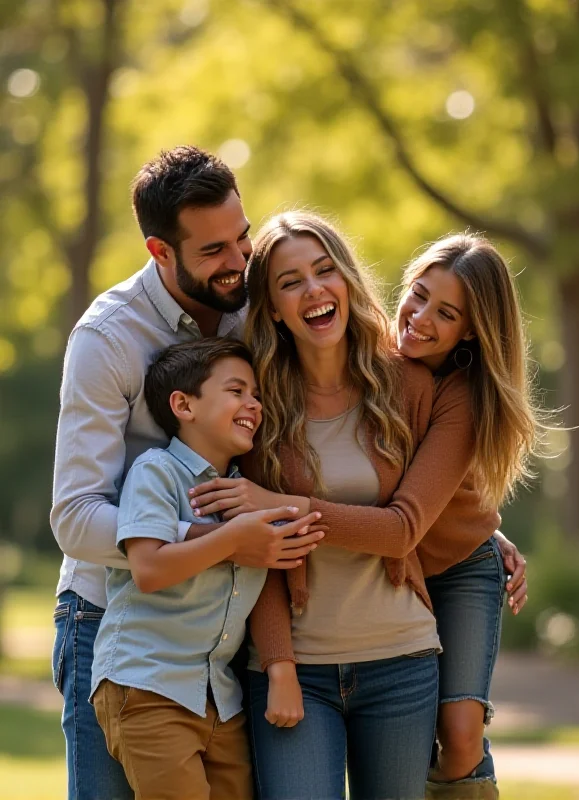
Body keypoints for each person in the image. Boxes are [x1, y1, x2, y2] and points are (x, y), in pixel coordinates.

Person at [50, 146, 321, 800]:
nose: (238, 262)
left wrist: (470, 523)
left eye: (243, 237)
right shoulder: (107, 340)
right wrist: (209, 538)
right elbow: (75, 515)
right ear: (159, 251)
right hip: (107, 623)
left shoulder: (257, 311)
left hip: (212, 644)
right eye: (213, 252)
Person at [190, 211, 480, 800]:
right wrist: (279, 665)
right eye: (290, 281)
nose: (314, 289)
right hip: (301, 667)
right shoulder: (257, 400)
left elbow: (404, 531)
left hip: (400, 658)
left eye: (325, 271)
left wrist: (280, 503)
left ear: (346, 280)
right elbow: (256, 547)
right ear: (271, 306)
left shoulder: (412, 387)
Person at [90, 337, 321, 800]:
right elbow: (148, 567)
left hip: (220, 698)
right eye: (236, 391)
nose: (253, 404)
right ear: (183, 405)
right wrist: (234, 539)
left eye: (256, 394)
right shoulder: (156, 471)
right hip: (149, 685)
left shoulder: (245, 490)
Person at [395, 234, 538, 799]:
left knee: (460, 735)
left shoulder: (467, 392)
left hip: (460, 568)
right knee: (405, 733)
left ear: (472, 330)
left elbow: (448, 493)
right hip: (389, 562)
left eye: (446, 312)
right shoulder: (370, 360)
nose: (421, 317)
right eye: (419, 294)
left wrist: (488, 534)